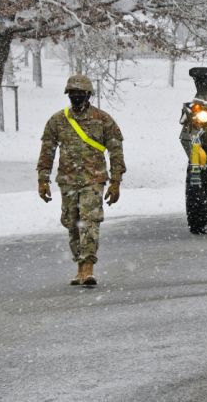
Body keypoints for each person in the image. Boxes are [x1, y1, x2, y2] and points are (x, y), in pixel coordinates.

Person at [37, 75, 126, 286]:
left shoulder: (103, 119)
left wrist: (115, 182)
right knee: (72, 223)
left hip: (93, 180)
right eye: (73, 93)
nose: (76, 97)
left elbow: (116, 151)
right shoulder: (58, 120)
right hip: (67, 181)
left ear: (89, 95)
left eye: (80, 93)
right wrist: (43, 180)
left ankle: (88, 267)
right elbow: (47, 150)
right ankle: (79, 267)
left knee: (89, 222)